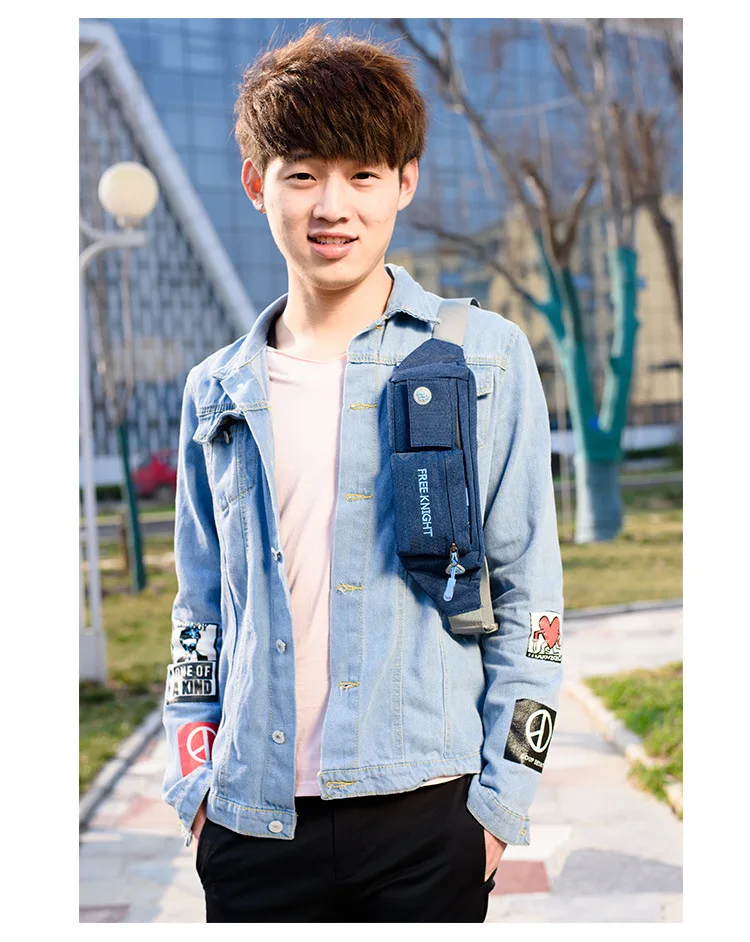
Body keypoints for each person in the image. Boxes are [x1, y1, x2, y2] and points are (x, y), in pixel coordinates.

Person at [161, 23, 564, 924]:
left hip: (429, 814)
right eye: (303, 174)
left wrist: (500, 808)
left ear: (405, 182)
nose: (332, 206)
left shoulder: (485, 357)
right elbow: (199, 611)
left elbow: (531, 597)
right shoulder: (216, 390)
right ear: (256, 183)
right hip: (250, 820)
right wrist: (193, 786)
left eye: (363, 175)